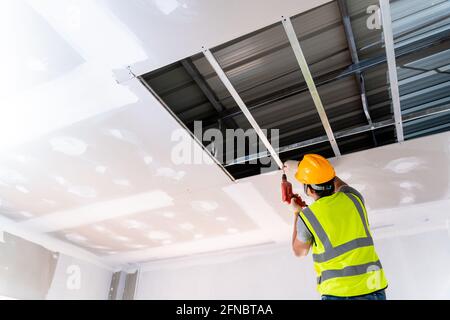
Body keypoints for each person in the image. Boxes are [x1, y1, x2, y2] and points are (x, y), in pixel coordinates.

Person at [288, 154, 388, 300]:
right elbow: (337, 182)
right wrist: (303, 167)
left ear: (309, 189)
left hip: (339, 293)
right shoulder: (353, 197)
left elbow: (299, 252)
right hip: (373, 287)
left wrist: (296, 212)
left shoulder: (307, 217)